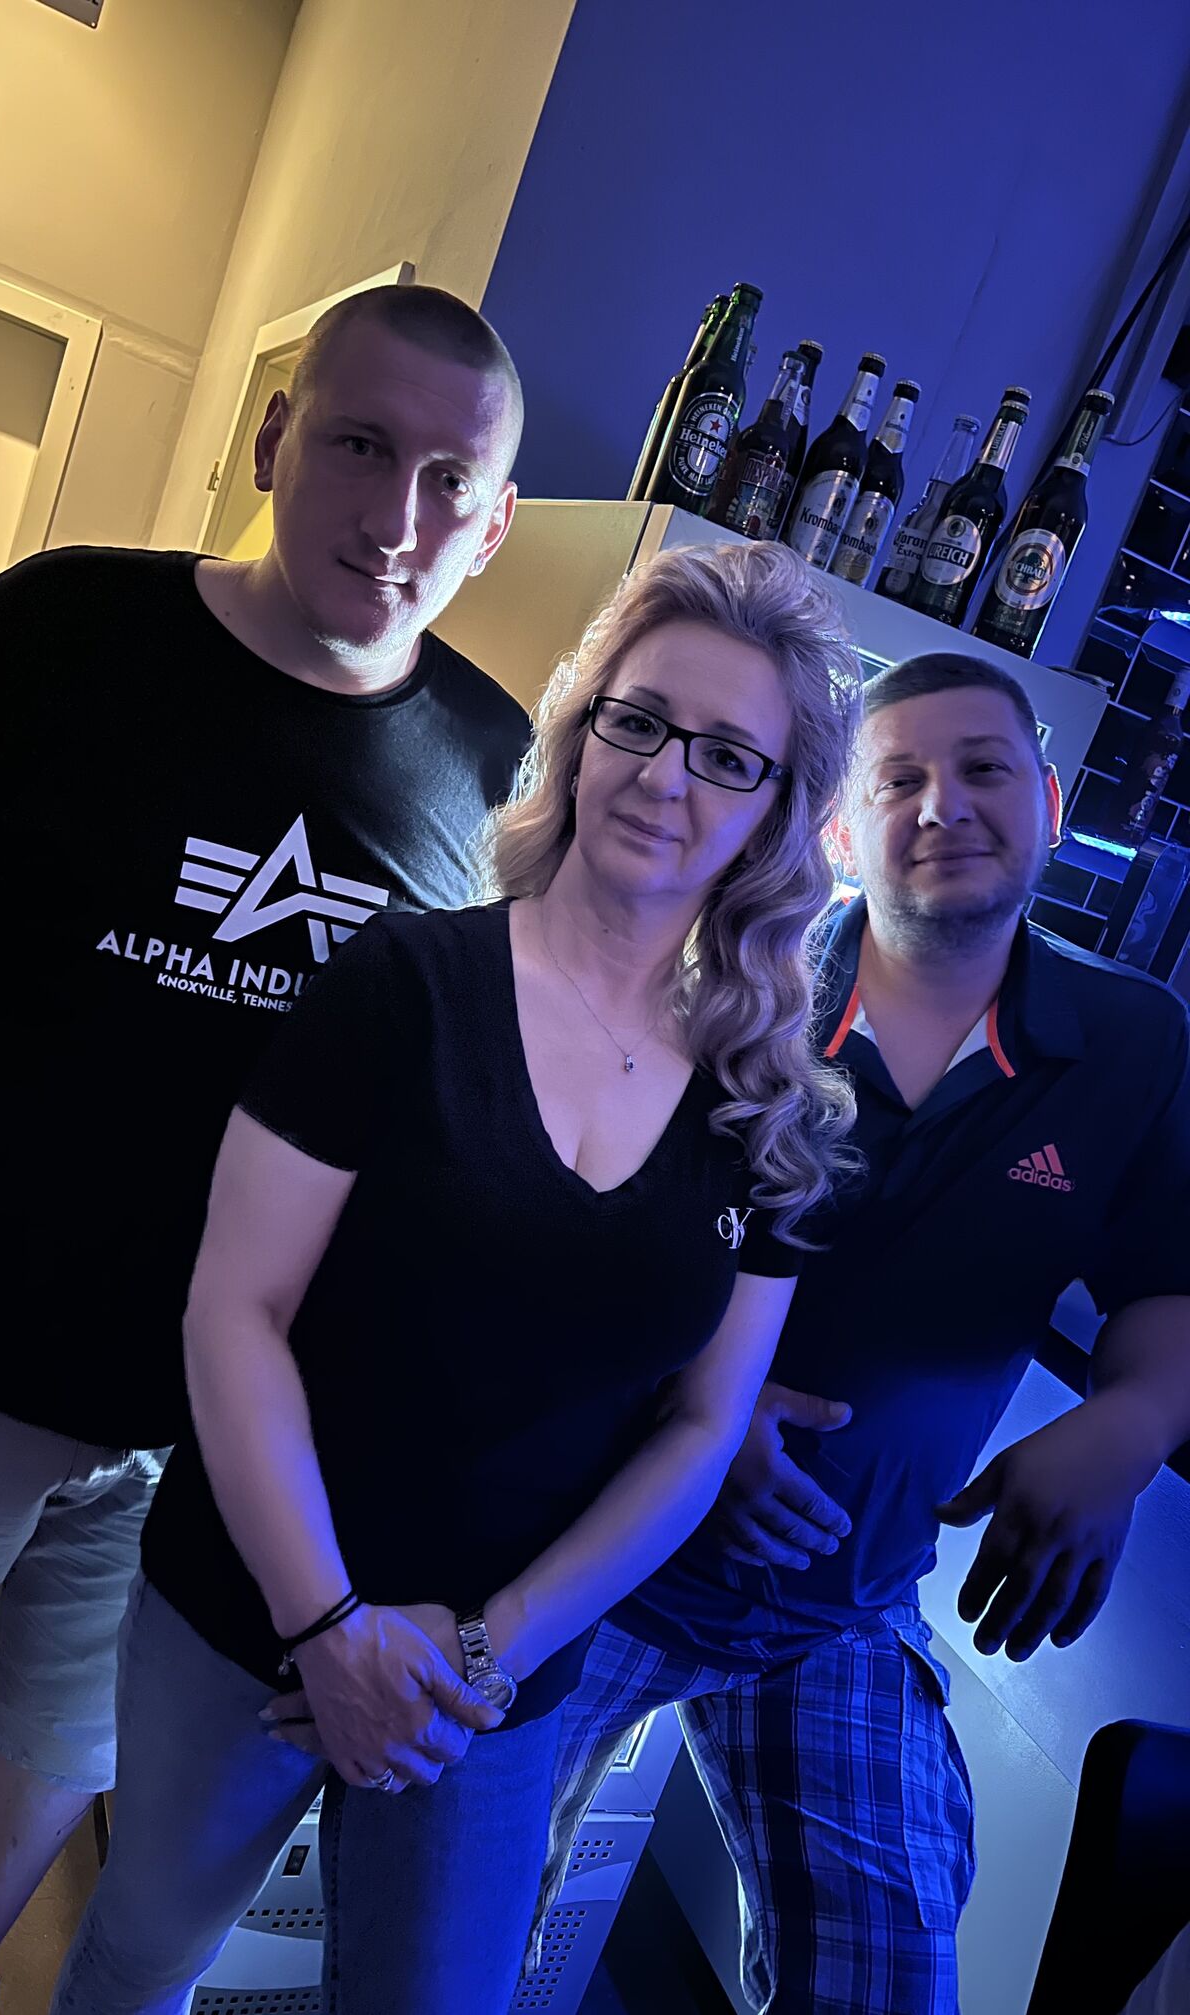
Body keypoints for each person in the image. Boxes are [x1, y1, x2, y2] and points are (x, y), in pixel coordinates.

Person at [46, 540, 862, 2015]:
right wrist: (329, 1633)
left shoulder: (769, 1113)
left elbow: (701, 1429)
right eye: (638, 721)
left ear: (777, 814)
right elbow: (237, 1311)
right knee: (142, 1957)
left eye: (728, 756)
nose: (666, 775)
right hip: (249, 1612)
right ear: (581, 734)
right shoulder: (401, 985)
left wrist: (485, 1649)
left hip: (499, 1676)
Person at [0, 283, 533, 2015]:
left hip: (217, 1415)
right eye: (358, 446)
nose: (395, 516)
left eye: (449, 482)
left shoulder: (495, 765)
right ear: (274, 440)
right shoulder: (60, 627)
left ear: (494, 525)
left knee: (60, 1729)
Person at [530, 651, 1190, 2015]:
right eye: (900, 780)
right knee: (452, 1923)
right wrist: (697, 1406)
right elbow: (554, 1238)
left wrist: (1131, 1424)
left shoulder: (1135, 1043)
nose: (944, 805)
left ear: (1052, 801)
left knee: (886, 1979)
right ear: (840, 834)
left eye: (984, 769)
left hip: (841, 1606)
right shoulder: (724, 991)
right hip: (598, 1555)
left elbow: (1167, 1286)